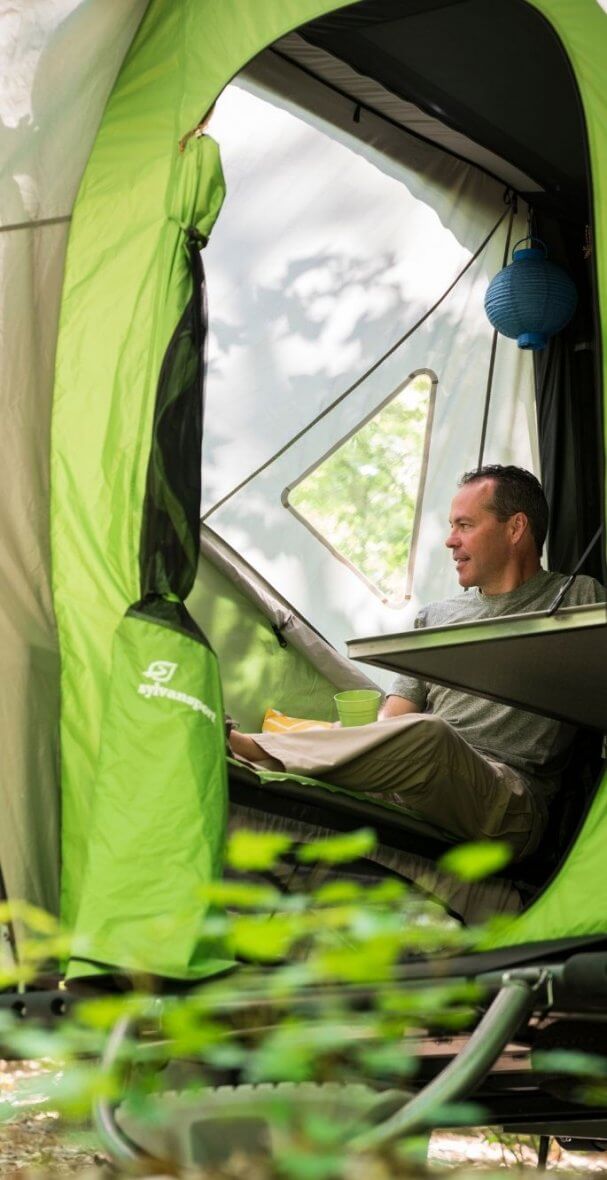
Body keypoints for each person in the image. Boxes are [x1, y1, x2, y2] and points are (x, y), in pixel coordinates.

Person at [230, 466, 606, 860]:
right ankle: (265, 751)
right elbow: (392, 721)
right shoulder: (436, 617)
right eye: (450, 526)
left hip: (509, 803)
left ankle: (250, 747)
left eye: (464, 525)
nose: (450, 540)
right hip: (417, 783)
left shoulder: (579, 596)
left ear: (515, 529)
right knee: (413, 733)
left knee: (429, 735)